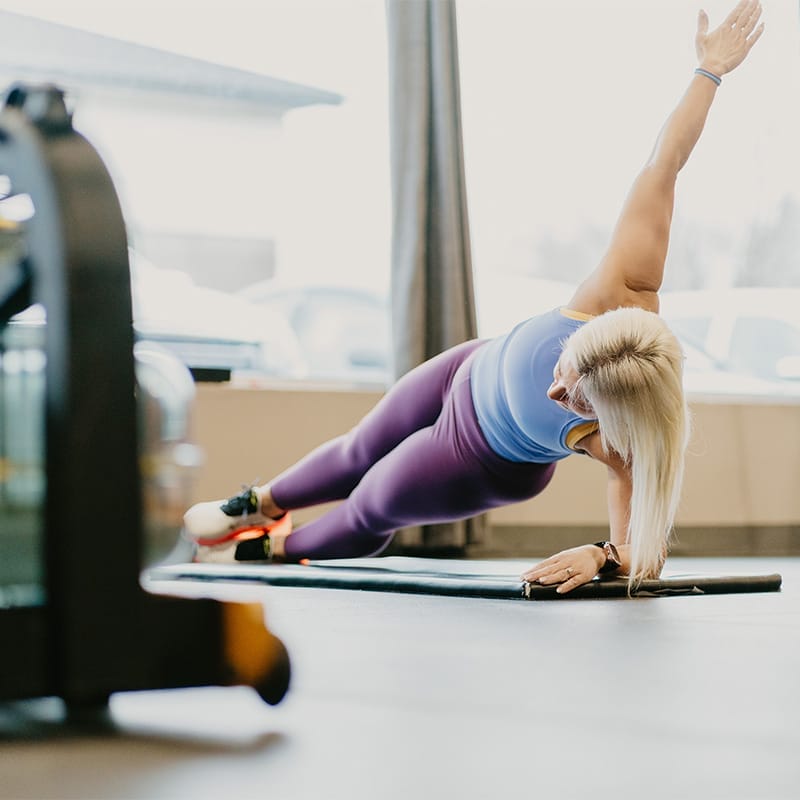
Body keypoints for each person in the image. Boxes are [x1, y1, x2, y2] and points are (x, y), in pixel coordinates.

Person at [183, 0, 764, 593]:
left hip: (479, 454)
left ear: (610, 417)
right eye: (566, 370)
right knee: (360, 446)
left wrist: (601, 555)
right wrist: (709, 72)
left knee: (371, 505)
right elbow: (665, 162)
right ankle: (259, 501)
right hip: (469, 364)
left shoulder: (630, 445)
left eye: (575, 403)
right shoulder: (623, 284)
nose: (554, 390)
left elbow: (644, 546)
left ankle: (268, 549)